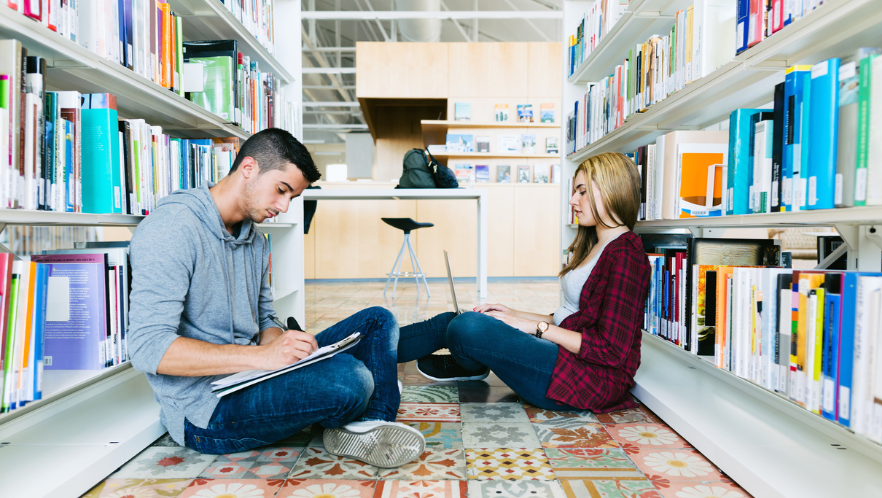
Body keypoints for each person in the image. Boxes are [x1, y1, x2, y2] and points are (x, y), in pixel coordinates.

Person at [128, 128, 425, 467]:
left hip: (253, 373)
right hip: (206, 409)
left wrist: (283, 346)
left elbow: (266, 318)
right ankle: (366, 408)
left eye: (292, 198)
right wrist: (262, 358)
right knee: (353, 378)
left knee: (378, 320)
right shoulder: (172, 228)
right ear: (249, 168)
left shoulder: (253, 240)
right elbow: (147, 348)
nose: (283, 206)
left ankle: (371, 424)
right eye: (281, 190)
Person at [400, 152, 651, 412]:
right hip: (564, 358)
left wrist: (534, 327)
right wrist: (513, 314)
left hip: (588, 380)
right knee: (458, 319)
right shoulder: (598, 243)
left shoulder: (626, 255)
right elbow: (574, 318)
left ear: (611, 190)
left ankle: (471, 362)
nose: (572, 200)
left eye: (582, 191)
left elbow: (610, 350)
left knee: (468, 326)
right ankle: (371, 347)